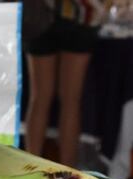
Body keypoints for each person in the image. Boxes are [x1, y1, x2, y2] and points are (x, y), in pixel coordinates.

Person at [23, 0, 106, 166]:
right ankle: (68, 172)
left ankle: (30, 169)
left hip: (43, 13)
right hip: (80, 15)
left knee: (39, 98)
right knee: (70, 101)